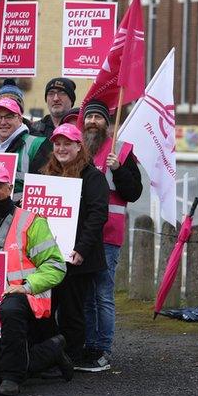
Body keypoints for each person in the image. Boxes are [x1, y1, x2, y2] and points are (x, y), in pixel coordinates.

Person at [0, 164, 71, 396]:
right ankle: (52, 349)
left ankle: (13, 379)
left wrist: (27, 287)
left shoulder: (32, 221)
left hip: (24, 295)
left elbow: (56, 266)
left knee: (9, 312)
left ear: (9, 188)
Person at [78, 100, 142, 372]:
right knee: (86, 294)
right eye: (89, 116)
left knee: (103, 293)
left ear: (107, 123)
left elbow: (134, 192)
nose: (93, 121)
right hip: (83, 233)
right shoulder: (77, 149)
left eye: (99, 117)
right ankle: (88, 345)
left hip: (108, 233)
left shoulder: (123, 151)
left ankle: (103, 348)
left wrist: (118, 168)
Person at [38, 123, 109, 364]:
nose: (61, 148)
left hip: (77, 258)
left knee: (72, 311)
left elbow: (98, 215)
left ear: (79, 146)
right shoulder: (47, 175)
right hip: (48, 256)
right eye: (57, 144)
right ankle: (50, 355)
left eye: (67, 143)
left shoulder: (93, 177)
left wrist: (81, 249)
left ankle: (72, 357)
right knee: (45, 308)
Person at [0, 98, 51, 200]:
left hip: (21, 212)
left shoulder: (36, 145)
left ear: (20, 119)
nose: (3, 122)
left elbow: (44, 190)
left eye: (9, 117)